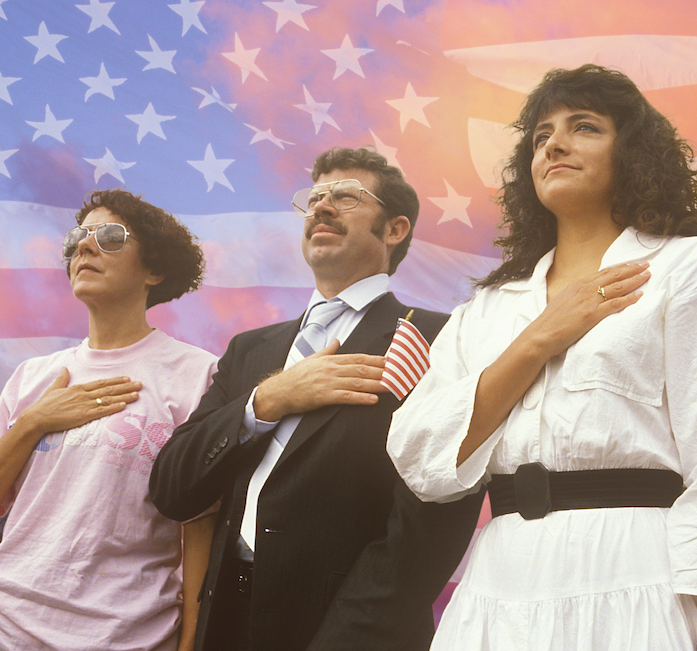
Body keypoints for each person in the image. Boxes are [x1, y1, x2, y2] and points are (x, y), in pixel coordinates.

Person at [387, 64, 697, 651]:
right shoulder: (490, 306)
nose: (556, 145)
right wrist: (538, 339)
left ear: (633, 153)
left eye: (585, 127)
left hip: (646, 578)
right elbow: (420, 456)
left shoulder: (690, 266)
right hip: (498, 590)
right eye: (541, 136)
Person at [149, 146, 483, 651]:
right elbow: (174, 488)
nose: (322, 207)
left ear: (394, 229)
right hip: (226, 623)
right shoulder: (250, 350)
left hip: (349, 629)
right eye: (315, 198)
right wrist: (265, 401)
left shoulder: (438, 339)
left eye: (347, 197)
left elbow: (432, 522)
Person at [0, 189, 217, 651]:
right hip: (11, 628)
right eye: (79, 236)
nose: (84, 246)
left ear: (154, 270)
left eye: (111, 236)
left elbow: (202, 524)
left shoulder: (198, 374)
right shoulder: (31, 378)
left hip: (128, 636)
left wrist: (192, 642)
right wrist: (32, 424)